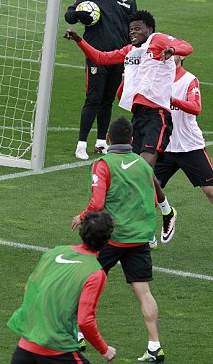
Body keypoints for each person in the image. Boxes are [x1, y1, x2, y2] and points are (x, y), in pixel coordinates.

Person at [65, 10, 193, 246]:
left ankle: (162, 214)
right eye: (131, 29)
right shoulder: (130, 52)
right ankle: (162, 214)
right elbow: (102, 57)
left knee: (141, 171)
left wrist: (173, 51)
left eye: (137, 28)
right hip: (138, 118)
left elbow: (187, 46)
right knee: (138, 174)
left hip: (158, 116)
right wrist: (80, 41)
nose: (132, 32)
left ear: (149, 29)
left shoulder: (159, 41)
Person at [72, 117, 165, 363]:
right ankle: (155, 346)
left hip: (112, 239)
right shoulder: (143, 164)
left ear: (109, 140)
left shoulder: (103, 164)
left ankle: (79, 335)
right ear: (132, 140)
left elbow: (97, 204)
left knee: (84, 282)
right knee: (143, 292)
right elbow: (153, 201)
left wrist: (81, 217)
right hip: (140, 238)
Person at [154, 57, 213, 262]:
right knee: (146, 192)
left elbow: (196, 107)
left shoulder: (190, 80)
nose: (170, 57)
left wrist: (171, 100)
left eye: (174, 54)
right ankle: (151, 229)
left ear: (182, 57)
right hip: (165, 146)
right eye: (167, 54)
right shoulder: (156, 77)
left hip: (190, 147)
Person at [8, 211, 116, 364]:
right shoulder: (95, 273)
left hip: (26, 346)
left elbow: (28, 289)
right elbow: (85, 320)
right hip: (57, 349)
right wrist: (104, 349)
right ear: (107, 240)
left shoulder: (54, 253)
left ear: (82, 232)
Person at [65, 0, 137, 160]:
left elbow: (132, 27)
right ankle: (81, 144)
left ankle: (101, 143)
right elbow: (69, 14)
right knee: (94, 98)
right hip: (95, 54)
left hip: (118, 57)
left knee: (107, 100)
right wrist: (80, 15)